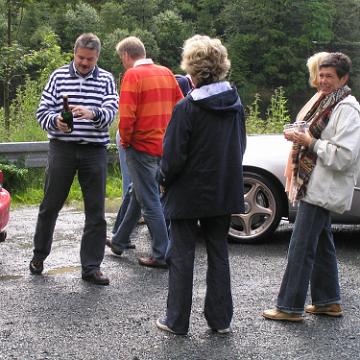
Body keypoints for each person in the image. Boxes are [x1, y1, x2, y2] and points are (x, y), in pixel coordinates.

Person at [155, 35, 246, 335]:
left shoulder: (186, 108)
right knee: (218, 252)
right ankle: (221, 321)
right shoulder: (235, 103)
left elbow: (173, 158)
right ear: (221, 66)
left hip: (187, 192)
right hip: (222, 189)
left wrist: (163, 180)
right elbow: (240, 146)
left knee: (181, 255)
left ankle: (176, 321)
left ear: (191, 69)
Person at [263, 52, 360, 321]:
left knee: (301, 247)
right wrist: (298, 134)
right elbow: (312, 133)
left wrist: (309, 142)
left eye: (329, 76)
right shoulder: (328, 102)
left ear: (344, 78)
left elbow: (345, 156)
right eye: (321, 74)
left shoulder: (348, 108)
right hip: (314, 184)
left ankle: (289, 307)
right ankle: (329, 301)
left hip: (321, 188)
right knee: (321, 242)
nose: (323, 80)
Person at [29, 33, 118, 286]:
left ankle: (91, 267)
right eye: (80, 58)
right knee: (50, 205)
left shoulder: (106, 79)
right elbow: (42, 111)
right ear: (74, 53)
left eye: (89, 59)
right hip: (62, 149)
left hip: (94, 151)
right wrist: (55, 121)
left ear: (97, 57)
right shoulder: (58, 76)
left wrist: (93, 113)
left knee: (96, 212)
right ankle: (39, 256)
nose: (84, 63)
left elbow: (111, 113)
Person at [107, 36, 183, 268]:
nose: (123, 63)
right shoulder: (166, 73)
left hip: (141, 147)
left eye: (122, 59)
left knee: (150, 200)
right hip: (163, 147)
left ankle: (161, 254)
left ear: (126, 56)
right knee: (135, 192)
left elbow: (127, 115)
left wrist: (126, 141)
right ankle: (119, 241)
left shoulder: (133, 75)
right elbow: (181, 106)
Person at [284, 52, 329, 203]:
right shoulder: (319, 95)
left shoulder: (325, 98)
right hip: (304, 156)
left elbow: (316, 130)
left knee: (308, 218)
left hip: (309, 163)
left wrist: (296, 134)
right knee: (321, 223)